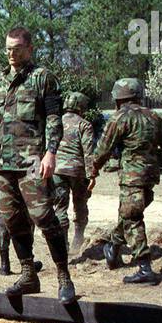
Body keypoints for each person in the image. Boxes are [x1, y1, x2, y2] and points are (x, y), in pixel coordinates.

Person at [0, 27, 75, 304]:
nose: (11, 53)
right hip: (2, 164)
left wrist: (51, 152)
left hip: (32, 160)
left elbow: (54, 119)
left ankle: (64, 276)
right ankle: (28, 273)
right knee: (11, 219)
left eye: (17, 48)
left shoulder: (43, 79)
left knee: (43, 216)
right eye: (8, 48)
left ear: (30, 49)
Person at [88, 79, 162, 284]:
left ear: (118, 100)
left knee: (132, 218)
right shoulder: (154, 116)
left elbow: (103, 149)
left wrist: (93, 169)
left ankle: (144, 266)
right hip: (150, 176)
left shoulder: (119, 118)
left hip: (131, 177)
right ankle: (113, 246)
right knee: (130, 212)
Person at [53, 92, 96, 257]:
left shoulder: (56, 123)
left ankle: (61, 246)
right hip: (77, 172)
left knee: (59, 208)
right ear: (81, 106)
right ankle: (77, 242)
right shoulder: (84, 125)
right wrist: (92, 175)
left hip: (57, 171)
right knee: (80, 207)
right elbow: (88, 152)